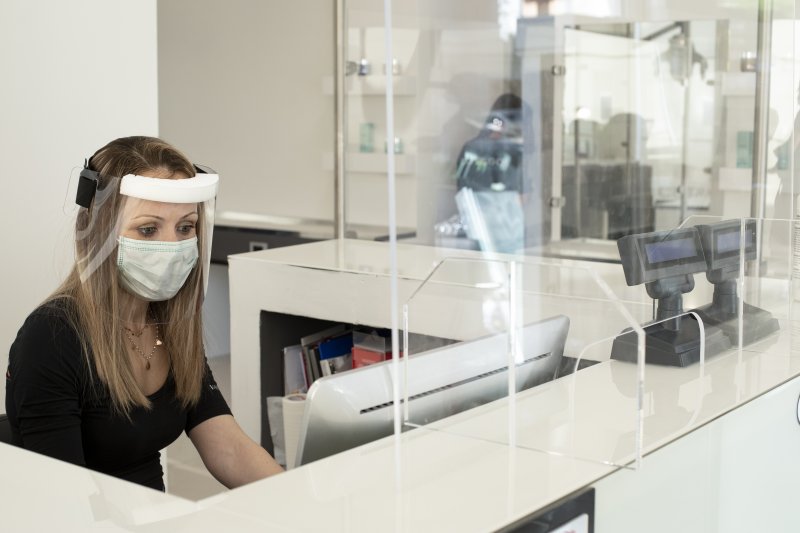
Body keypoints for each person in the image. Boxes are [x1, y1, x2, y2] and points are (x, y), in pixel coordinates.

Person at [5, 136, 283, 491]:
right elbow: (63, 499)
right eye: (148, 229)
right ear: (96, 234)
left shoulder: (171, 326)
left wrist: (297, 501)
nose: (173, 245)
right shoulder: (52, 337)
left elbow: (227, 447)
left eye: (185, 228)